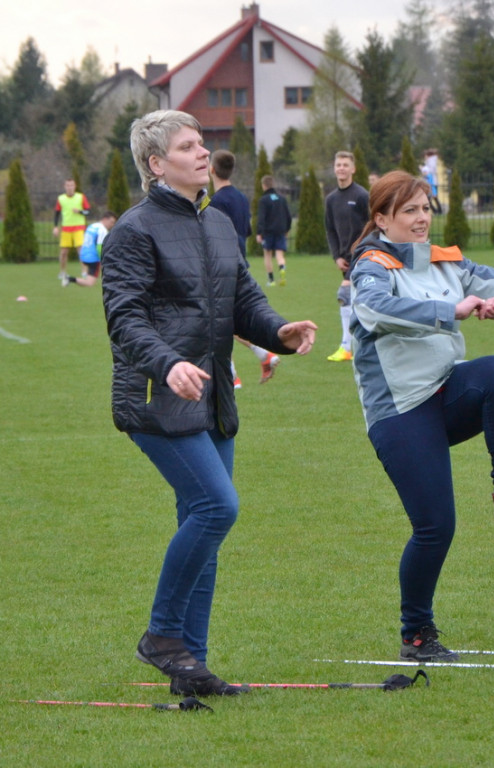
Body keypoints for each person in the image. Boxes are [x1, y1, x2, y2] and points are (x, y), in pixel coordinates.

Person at [101, 110, 317, 695]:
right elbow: (123, 317)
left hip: (213, 398)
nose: (203, 153)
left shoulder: (219, 222)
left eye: (203, 144)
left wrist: (279, 333)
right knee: (217, 508)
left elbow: (243, 298)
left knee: (204, 525)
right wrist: (169, 364)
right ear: (155, 164)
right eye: (188, 146)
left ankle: (189, 669)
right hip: (156, 397)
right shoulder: (134, 230)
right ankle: (163, 636)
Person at [348, 170, 494, 662]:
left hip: (444, 394)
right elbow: (376, 310)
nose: (422, 219)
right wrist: (451, 310)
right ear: (381, 219)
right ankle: (416, 634)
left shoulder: (446, 260)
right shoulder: (370, 265)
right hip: (398, 413)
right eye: (409, 211)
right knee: (436, 527)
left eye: (426, 208)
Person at [209, 149, 279, 384]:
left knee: (218, 318)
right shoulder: (240, 197)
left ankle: (235, 373)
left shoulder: (216, 201)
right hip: (240, 262)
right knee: (224, 319)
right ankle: (244, 366)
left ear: (211, 170)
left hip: (223, 265)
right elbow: (246, 230)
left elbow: (215, 235)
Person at [324, 150, 369, 362]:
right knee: (358, 302)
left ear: (353, 169)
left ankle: (346, 346)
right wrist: (336, 257)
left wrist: (360, 249)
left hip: (363, 255)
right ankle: (359, 345)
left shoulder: (361, 196)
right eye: (338, 164)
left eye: (345, 164)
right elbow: (330, 230)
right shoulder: (331, 199)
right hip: (344, 259)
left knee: (344, 296)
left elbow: (372, 226)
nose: (341, 168)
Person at [53, 177, 91, 283]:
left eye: (71, 185)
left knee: (81, 251)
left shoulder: (80, 197)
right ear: (64, 187)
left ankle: (84, 271)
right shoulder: (61, 198)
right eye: (67, 185)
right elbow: (57, 214)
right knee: (64, 252)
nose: (70, 187)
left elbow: (88, 211)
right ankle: (63, 272)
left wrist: (80, 211)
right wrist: (55, 227)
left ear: (75, 186)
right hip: (66, 228)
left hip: (79, 227)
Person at [257, 175, 292, 287]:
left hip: (268, 232)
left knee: (267, 254)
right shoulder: (282, 199)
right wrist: (287, 229)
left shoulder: (263, 200)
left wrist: (259, 232)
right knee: (279, 254)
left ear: (264, 185)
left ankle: (271, 280)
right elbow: (288, 216)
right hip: (281, 230)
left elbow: (261, 218)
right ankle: (282, 268)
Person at [66, 211, 116, 287]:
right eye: (111, 222)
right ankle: (69, 279)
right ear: (105, 219)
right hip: (93, 258)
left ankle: (74, 277)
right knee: (90, 283)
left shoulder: (92, 226)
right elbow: (99, 247)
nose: (112, 225)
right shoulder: (102, 230)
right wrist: (103, 260)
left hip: (83, 255)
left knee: (92, 277)